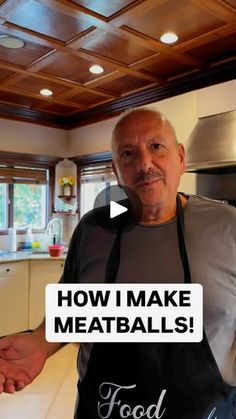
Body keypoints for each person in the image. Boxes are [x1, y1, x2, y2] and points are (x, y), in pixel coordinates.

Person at [0, 108, 235, 419]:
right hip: (104, 409)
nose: (144, 164)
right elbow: (74, 311)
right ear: (115, 169)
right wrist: (41, 343)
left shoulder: (228, 226)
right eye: (128, 153)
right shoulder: (95, 226)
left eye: (156, 147)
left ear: (180, 157)